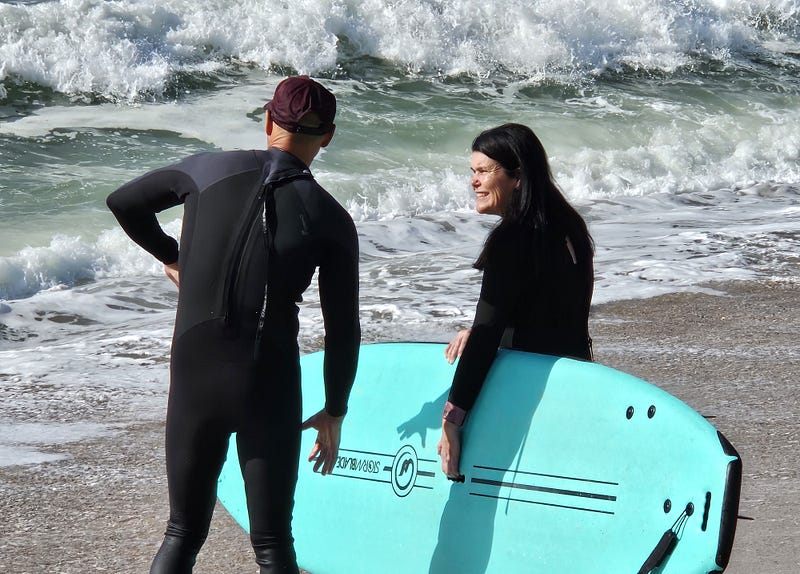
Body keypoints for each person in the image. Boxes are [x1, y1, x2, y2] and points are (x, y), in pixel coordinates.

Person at [106, 76, 361, 573]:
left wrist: (174, 257)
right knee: (271, 545)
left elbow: (124, 202)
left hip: (196, 370)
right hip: (268, 378)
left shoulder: (207, 169)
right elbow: (342, 329)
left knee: (182, 532)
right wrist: (335, 409)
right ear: (327, 136)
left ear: (268, 121)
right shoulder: (331, 217)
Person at [437, 123, 593, 480]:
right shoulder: (568, 227)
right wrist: (478, 330)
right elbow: (550, 311)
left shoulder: (512, 239)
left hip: (525, 389)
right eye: (471, 172)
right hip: (573, 377)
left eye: (482, 172)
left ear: (517, 176)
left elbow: (489, 339)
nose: (473, 182)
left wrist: (452, 419)